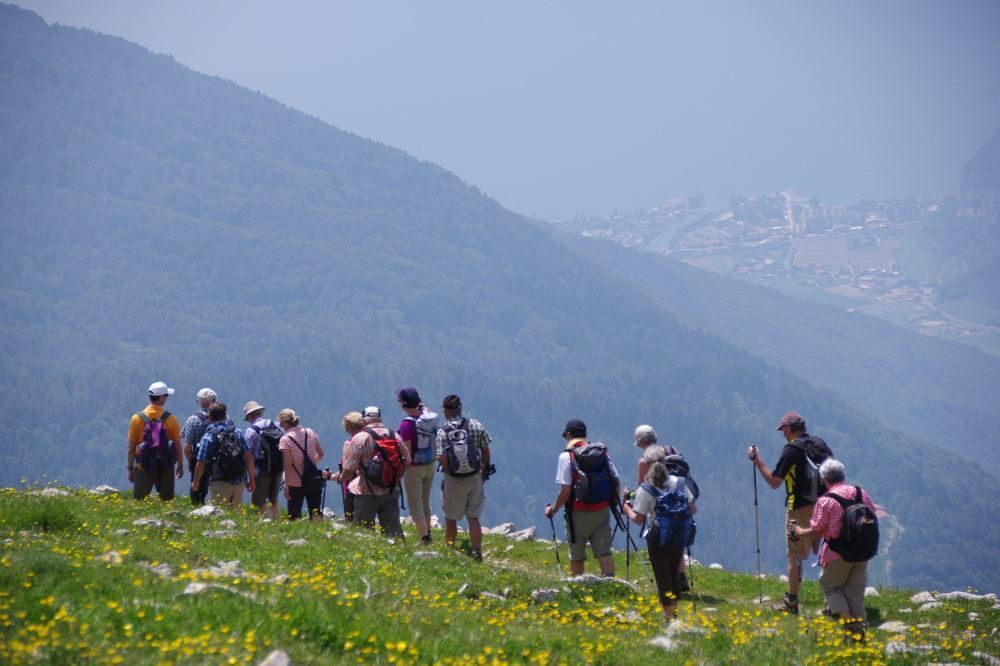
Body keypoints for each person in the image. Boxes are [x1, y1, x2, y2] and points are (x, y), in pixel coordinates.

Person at [748, 410, 833, 614]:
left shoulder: (791, 450)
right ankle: (833, 602)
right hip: (826, 505)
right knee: (828, 554)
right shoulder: (820, 444)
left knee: (794, 555)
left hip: (799, 508)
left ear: (791, 428)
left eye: (783, 429)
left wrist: (757, 461)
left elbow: (775, 482)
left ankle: (791, 602)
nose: (782, 433)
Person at [791, 459, 877, 641]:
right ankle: (858, 630)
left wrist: (798, 531)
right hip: (863, 551)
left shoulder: (826, 501)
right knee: (855, 594)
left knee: (830, 586)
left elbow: (816, 530)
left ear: (823, 478)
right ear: (842, 475)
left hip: (838, 554)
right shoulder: (861, 493)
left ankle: (849, 624)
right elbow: (872, 515)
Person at [623, 445, 697, 623]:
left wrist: (626, 509)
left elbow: (639, 519)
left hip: (657, 536)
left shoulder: (645, 489)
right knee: (673, 573)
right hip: (679, 534)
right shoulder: (679, 482)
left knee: (662, 576)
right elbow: (692, 509)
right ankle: (675, 611)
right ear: (666, 462)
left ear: (647, 465)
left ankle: (669, 618)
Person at [544, 419, 618, 577]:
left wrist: (553, 510)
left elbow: (565, 490)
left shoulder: (567, 457)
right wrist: (614, 502)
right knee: (604, 551)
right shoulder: (601, 453)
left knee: (577, 555)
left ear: (569, 435)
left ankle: (578, 589)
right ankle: (612, 586)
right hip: (602, 510)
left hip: (577, 513)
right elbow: (615, 479)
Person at [633, 424, 690, 592]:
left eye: (639, 444)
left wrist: (630, 498)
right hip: (681, 500)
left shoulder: (645, 461)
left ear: (642, 442)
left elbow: (642, 486)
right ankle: (680, 577)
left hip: (659, 507)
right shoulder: (672, 449)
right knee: (676, 537)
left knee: (662, 539)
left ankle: (668, 586)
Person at [436, 394, 492, 561]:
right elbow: (486, 450)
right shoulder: (475, 425)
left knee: (451, 517)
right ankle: (477, 552)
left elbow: (441, 457)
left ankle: (450, 550)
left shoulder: (443, 432)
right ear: (460, 409)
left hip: (453, 479)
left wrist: (448, 467)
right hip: (474, 476)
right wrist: (483, 470)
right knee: (473, 517)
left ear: (445, 411)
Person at [340, 407, 409, 536]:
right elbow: (407, 461)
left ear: (363, 420)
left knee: (363, 532)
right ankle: (394, 553)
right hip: (391, 490)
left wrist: (340, 479)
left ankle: (367, 555)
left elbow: (349, 470)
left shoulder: (360, 438)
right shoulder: (395, 435)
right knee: (392, 532)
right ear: (380, 419)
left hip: (367, 491)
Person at [127, 381, 184, 501]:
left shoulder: (136, 418)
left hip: (142, 464)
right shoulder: (171, 419)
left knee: (139, 502)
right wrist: (180, 465)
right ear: (162, 398)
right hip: (166, 465)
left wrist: (130, 468)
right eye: (166, 396)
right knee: (166, 502)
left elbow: (131, 447)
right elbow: (178, 447)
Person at [397, 386, 440, 544]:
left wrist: (402, 468)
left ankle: (424, 538)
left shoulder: (406, 424)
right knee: (425, 501)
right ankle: (427, 531)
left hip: (414, 467)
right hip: (430, 463)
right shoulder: (428, 417)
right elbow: (426, 411)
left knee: (415, 504)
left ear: (403, 404)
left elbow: (407, 451)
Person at [191, 402, 255, 508]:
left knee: (219, 516)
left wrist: (196, 481)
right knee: (236, 518)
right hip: (239, 481)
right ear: (225, 416)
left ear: (209, 416)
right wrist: (251, 480)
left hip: (219, 482)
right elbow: (249, 457)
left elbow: (201, 462)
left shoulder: (208, 436)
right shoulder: (237, 433)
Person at [276, 408, 325, 521]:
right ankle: (319, 534)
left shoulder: (285, 440)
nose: (280, 426)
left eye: (281, 423)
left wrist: (286, 486)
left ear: (285, 423)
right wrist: (311, 466)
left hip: (295, 481)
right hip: (313, 478)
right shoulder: (310, 432)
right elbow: (321, 454)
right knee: (315, 512)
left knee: (294, 515)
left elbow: (288, 465)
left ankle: (296, 536)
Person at [244, 400, 284, 519]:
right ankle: (277, 524)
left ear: (250, 416)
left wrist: (250, 477)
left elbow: (249, 455)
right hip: (277, 468)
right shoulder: (277, 426)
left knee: (261, 502)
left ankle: (268, 526)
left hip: (261, 471)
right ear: (260, 413)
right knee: (274, 501)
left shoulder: (251, 431)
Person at [181, 387, 216, 505]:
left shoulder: (192, 420)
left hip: (199, 461)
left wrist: (192, 463)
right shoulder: (223, 419)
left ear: (197, 402)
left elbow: (187, 448)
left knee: (197, 495)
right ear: (214, 401)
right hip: (219, 462)